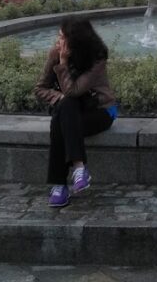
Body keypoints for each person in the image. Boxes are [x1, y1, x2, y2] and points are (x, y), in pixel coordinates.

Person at [35, 17, 118, 208]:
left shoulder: (97, 56)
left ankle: (59, 185)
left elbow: (74, 90)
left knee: (63, 113)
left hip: (100, 111)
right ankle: (79, 167)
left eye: (63, 37)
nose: (58, 41)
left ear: (76, 40)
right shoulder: (55, 53)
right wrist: (58, 97)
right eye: (59, 36)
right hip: (72, 111)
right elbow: (40, 89)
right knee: (65, 107)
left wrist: (63, 64)